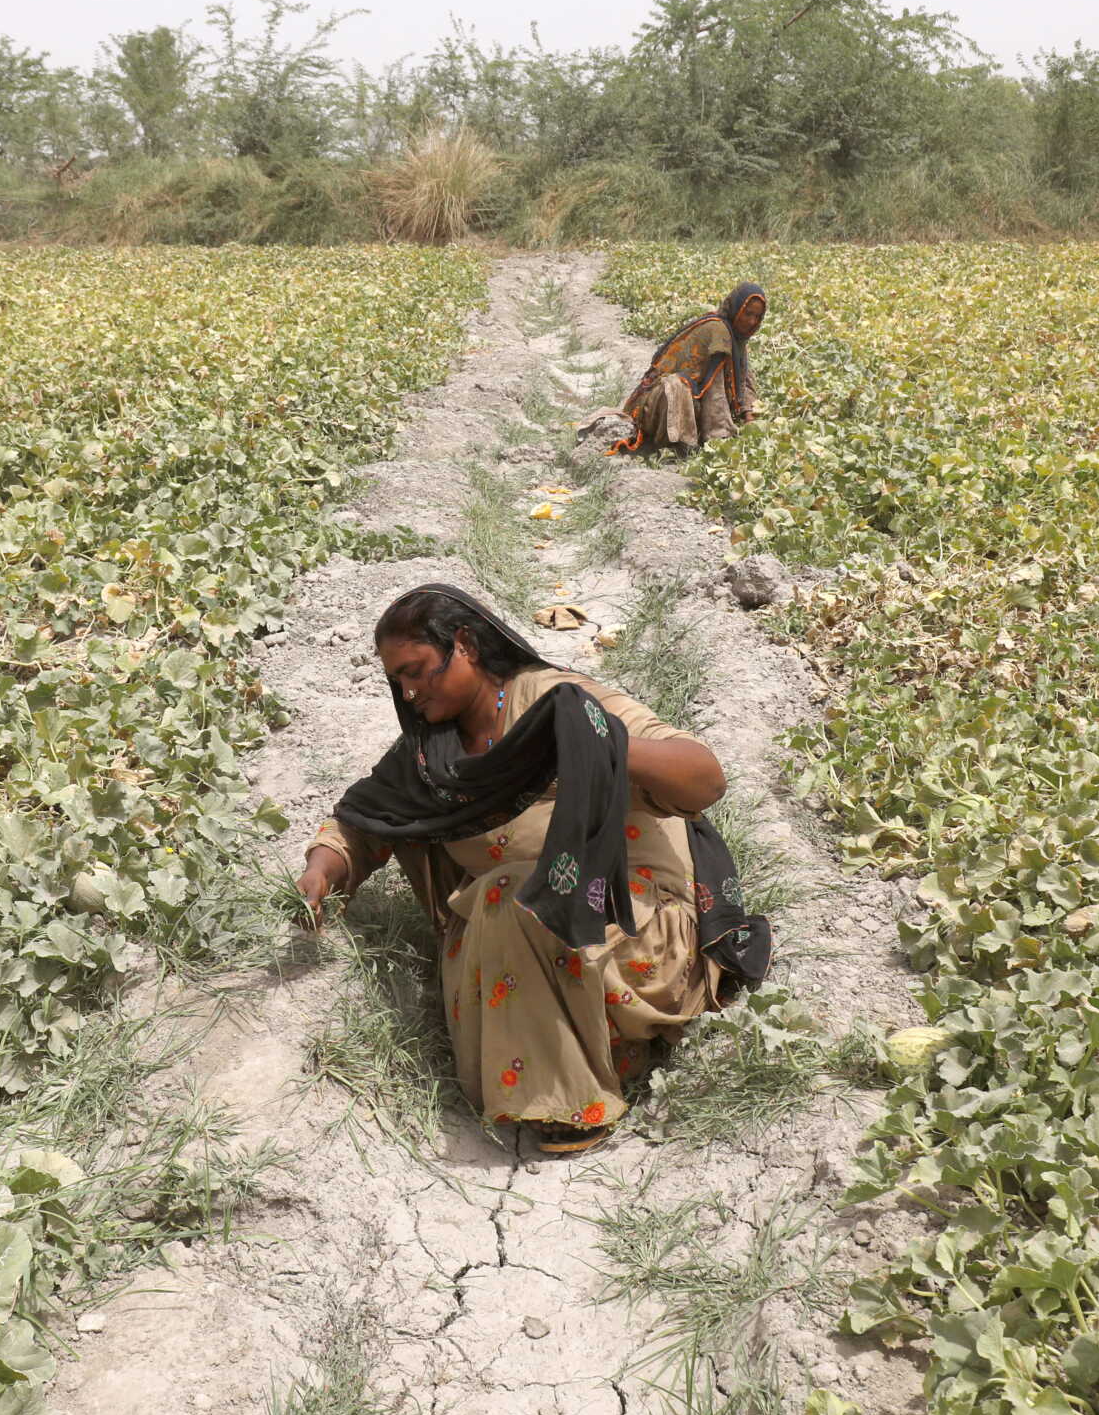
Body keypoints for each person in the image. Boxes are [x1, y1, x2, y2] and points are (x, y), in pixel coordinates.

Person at [295, 585, 771, 1154]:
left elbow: (704, 777)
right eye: (396, 679)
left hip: (631, 928)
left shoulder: (560, 703)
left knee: (508, 892)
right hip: (517, 945)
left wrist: (595, 744)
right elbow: (370, 818)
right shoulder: (434, 751)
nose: (408, 691)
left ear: (465, 645)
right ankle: (579, 1051)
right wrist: (322, 870)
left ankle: (574, 1101)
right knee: (502, 899)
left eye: (418, 670)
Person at [608, 282, 766, 458]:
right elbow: (715, 390)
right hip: (658, 404)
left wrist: (749, 414)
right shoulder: (719, 331)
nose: (752, 321)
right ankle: (682, 446)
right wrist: (720, 440)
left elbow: (744, 380)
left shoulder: (737, 338)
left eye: (758, 317)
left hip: (690, 400)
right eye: (748, 313)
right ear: (736, 308)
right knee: (678, 385)